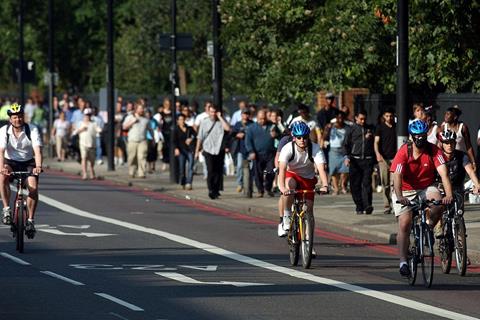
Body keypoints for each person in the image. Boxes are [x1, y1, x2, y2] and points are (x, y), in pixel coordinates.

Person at [391, 119, 453, 277]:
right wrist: (399, 196)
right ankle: (403, 261)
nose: (421, 139)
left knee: (438, 203)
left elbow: (444, 174)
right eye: (417, 136)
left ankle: (427, 228)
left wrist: (449, 195)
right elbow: (396, 176)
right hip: (405, 190)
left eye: (423, 135)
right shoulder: (404, 151)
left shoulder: (434, 151)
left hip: (426, 187)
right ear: (412, 136)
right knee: (405, 223)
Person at [277, 122, 329, 237]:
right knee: (289, 184)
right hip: (292, 174)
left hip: (308, 178)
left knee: (308, 210)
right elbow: (282, 170)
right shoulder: (288, 148)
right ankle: (286, 216)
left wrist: (325, 185)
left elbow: (321, 169)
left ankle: (307, 242)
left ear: (308, 136)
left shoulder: (315, 148)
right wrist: (282, 188)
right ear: (294, 137)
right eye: (299, 137)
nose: (302, 140)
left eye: (305, 137)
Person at [0, 103, 43, 238]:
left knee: (33, 188)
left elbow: (37, 150)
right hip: (10, 162)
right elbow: (1, 152)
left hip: (28, 163)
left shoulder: (32, 129)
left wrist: (38, 166)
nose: (17, 119)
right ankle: (6, 209)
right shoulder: (3, 131)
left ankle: (30, 220)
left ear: (23, 117)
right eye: (14, 117)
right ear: (10, 119)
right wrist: (1, 168)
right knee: (2, 177)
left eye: (19, 117)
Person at [195, 104, 230, 199]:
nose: (213, 114)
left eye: (215, 112)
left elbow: (227, 128)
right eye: (211, 112)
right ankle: (211, 189)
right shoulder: (204, 122)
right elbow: (199, 137)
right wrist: (196, 151)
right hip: (208, 149)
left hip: (219, 149)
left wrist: (220, 117)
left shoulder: (220, 122)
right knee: (210, 170)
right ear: (208, 112)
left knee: (218, 171)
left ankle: (216, 190)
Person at [344, 110, 375, 215]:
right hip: (355, 160)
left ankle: (368, 205)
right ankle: (359, 206)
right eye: (361, 119)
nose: (363, 121)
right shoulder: (351, 129)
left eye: (364, 119)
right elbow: (346, 144)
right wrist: (347, 157)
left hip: (368, 159)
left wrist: (370, 139)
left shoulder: (370, 129)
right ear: (356, 118)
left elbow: (376, 143)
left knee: (366, 183)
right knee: (355, 185)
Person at [245, 110, 279, 197]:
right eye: (260, 119)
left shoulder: (272, 126)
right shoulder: (251, 128)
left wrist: (276, 135)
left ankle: (268, 187)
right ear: (257, 117)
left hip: (270, 154)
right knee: (258, 173)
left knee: (271, 172)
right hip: (258, 154)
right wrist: (251, 151)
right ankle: (260, 190)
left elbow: (281, 135)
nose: (262, 121)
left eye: (264, 119)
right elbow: (248, 141)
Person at [374, 108, 397, 214]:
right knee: (385, 183)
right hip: (384, 159)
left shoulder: (397, 127)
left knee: (394, 183)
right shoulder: (380, 127)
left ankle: (394, 204)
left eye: (391, 116)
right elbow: (376, 142)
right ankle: (386, 205)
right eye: (387, 116)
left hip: (395, 159)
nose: (389, 118)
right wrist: (378, 154)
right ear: (384, 116)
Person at [323, 111, 349, 195]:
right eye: (339, 118)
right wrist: (327, 129)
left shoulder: (346, 127)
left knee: (345, 169)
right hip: (333, 150)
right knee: (333, 170)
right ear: (336, 118)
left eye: (342, 118)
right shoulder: (331, 127)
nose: (340, 119)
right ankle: (336, 189)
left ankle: (343, 186)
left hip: (343, 150)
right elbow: (324, 136)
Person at [122, 102, 150, 178]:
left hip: (142, 140)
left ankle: (141, 173)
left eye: (142, 109)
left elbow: (149, 129)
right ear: (136, 109)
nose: (142, 110)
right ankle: (132, 171)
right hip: (132, 140)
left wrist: (152, 139)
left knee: (142, 156)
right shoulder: (130, 117)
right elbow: (124, 127)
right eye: (140, 108)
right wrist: (133, 121)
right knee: (132, 157)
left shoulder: (145, 119)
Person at [75, 108, 101, 180]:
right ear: (84, 115)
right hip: (83, 144)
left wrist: (100, 131)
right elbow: (75, 132)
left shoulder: (94, 123)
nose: (88, 117)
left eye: (89, 115)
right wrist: (81, 129)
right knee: (84, 158)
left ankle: (92, 170)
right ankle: (85, 173)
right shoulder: (80, 123)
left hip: (92, 144)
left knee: (92, 160)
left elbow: (99, 130)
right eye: (86, 115)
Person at [231, 109, 253, 192]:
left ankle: (249, 185)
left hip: (250, 149)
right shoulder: (238, 124)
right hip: (240, 149)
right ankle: (240, 184)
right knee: (240, 166)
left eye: (247, 114)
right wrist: (237, 135)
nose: (246, 115)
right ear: (241, 115)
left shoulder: (252, 124)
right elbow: (232, 134)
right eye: (244, 114)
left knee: (250, 168)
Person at [174, 113, 197, 190]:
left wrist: (191, 139)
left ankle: (189, 183)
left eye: (183, 119)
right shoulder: (176, 129)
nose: (182, 121)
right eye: (180, 120)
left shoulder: (189, 128)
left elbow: (195, 135)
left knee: (190, 167)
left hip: (189, 150)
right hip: (181, 150)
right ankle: (183, 181)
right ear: (177, 121)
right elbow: (174, 141)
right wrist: (176, 149)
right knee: (182, 167)